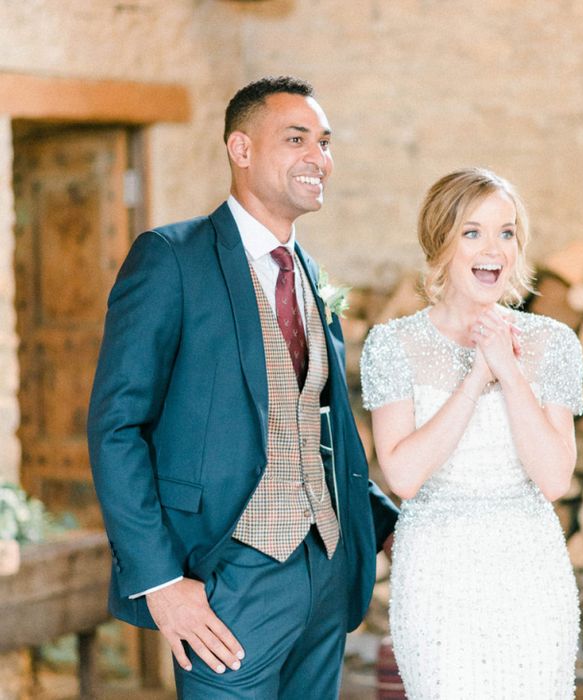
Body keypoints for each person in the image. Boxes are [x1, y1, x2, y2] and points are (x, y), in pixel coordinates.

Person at [88, 76, 398, 699]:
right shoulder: (170, 258)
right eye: (296, 138)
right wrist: (161, 583)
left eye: (325, 142)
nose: (319, 157)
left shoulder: (311, 274)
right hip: (225, 578)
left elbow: (318, 423)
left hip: (326, 573)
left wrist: (387, 526)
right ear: (241, 148)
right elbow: (117, 427)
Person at [361, 167, 583, 698]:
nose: (495, 248)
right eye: (473, 231)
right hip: (437, 575)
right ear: (441, 242)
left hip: (530, 569)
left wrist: (508, 370)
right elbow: (405, 475)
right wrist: (476, 377)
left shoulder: (554, 342)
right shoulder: (392, 345)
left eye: (507, 232)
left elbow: (554, 479)